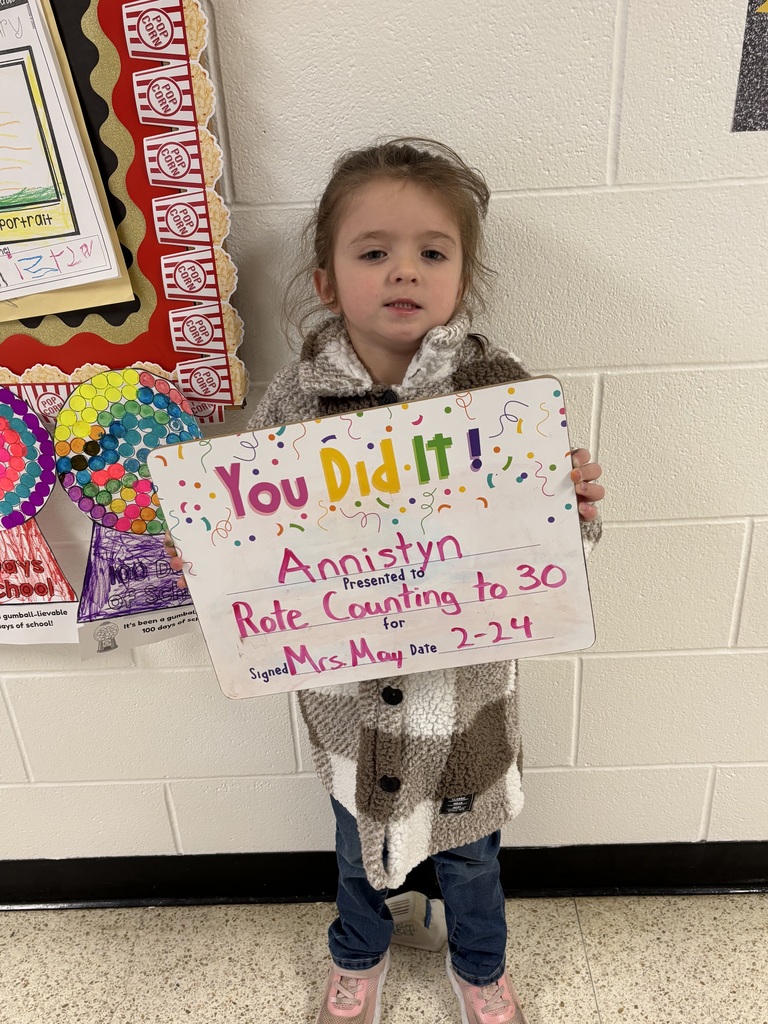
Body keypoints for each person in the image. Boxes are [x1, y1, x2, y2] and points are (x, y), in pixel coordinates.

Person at [166, 137, 605, 1024]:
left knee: (473, 856)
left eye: (432, 253)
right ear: (328, 280)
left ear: (462, 276)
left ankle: (479, 966)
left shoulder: (498, 391)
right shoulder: (295, 400)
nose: (404, 271)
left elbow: (544, 559)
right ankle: (357, 952)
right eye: (374, 252)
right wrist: (214, 555)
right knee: (355, 846)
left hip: (465, 699)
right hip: (351, 701)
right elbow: (261, 547)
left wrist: (574, 508)